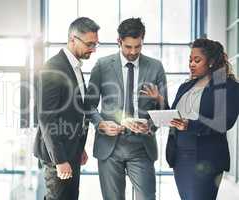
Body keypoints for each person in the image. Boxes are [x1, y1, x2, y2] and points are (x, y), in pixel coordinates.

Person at [86, 17, 168, 200]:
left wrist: (150, 125)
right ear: (119, 41)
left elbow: (164, 109)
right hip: (109, 146)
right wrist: (101, 124)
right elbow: (88, 105)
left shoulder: (156, 67)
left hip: (142, 147)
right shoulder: (102, 66)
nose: (133, 52)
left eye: (138, 47)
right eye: (128, 47)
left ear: (142, 41)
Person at [152, 38, 239, 200]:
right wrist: (160, 100)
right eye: (190, 60)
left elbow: (224, 122)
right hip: (181, 157)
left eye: (197, 60)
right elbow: (176, 117)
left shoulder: (227, 86)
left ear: (211, 61)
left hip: (207, 158)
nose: (191, 64)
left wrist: (189, 125)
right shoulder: (186, 87)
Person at [33, 17, 100, 200]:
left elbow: (75, 112)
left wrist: (80, 147)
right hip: (58, 155)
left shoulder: (75, 67)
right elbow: (47, 118)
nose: (93, 49)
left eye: (95, 44)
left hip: (71, 151)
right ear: (72, 39)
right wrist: (60, 160)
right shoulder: (53, 68)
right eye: (89, 44)